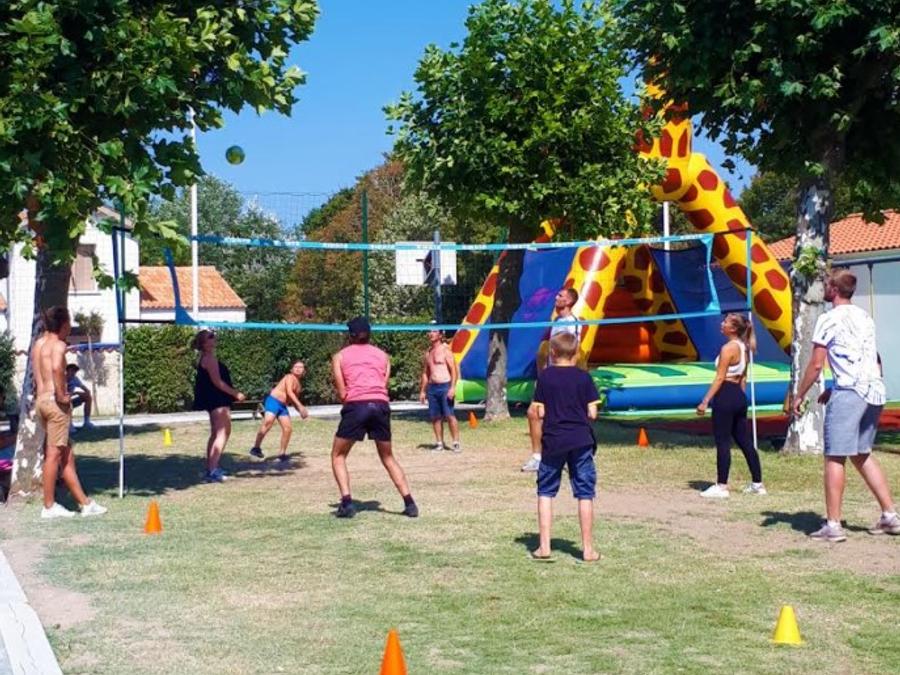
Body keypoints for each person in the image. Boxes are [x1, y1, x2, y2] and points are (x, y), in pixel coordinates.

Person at [793, 270, 899, 542]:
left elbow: (816, 364)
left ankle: (833, 525)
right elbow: (870, 356)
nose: (823, 289)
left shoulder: (827, 319)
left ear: (834, 289)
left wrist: (798, 395)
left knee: (835, 456)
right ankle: (890, 516)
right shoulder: (864, 317)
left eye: (826, 285)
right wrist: (837, 386)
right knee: (862, 453)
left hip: (850, 392)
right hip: (874, 390)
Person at [330, 317, 418, 519]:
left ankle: (347, 503)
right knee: (388, 457)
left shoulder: (340, 356)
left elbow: (342, 392)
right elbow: (383, 384)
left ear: (350, 335)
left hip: (357, 405)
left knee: (338, 455)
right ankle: (410, 503)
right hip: (380, 405)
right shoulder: (383, 356)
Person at [528, 332, 601, 562]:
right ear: (576, 353)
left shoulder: (545, 378)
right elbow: (592, 413)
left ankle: (544, 547)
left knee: (545, 491)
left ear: (552, 352)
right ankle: (588, 549)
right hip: (581, 440)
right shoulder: (584, 378)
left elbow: (539, 412)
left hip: (553, 441)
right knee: (585, 493)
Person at [33, 306, 106, 519]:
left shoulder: (38, 344)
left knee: (66, 455)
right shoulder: (58, 345)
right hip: (55, 404)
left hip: (41, 402)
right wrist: (61, 395)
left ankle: (85, 503)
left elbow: (37, 375)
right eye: (69, 323)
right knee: (54, 454)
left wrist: (46, 396)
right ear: (64, 324)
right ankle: (49, 506)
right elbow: (57, 368)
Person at [695, 313, 766, 498]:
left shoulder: (728, 348)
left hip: (725, 394)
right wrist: (739, 398)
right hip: (738, 396)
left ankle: (721, 486)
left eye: (725, 322)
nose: (722, 324)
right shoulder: (744, 347)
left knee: (723, 441)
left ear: (733, 329)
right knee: (744, 440)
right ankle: (758, 484)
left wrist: (705, 400)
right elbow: (743, 378)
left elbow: (720, 378)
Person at [522, 287, 580, 472]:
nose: (556, 297)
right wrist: (543, 375)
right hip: (549, 376)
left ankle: (571, 457)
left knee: (563, 418)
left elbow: (574, 352)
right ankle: (537, 457)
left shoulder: (572, 323)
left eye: (560, 296)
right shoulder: (556, 322)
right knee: (534, 413)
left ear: (569, 301)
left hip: (563, 378)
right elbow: (546, 352)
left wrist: (568, 377)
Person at [192, 330, 245, 483]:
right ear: (204, 343)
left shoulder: (205, 358)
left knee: (216, 433)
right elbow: (218, 382)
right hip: (217, 400)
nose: (214, 338)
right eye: (210, 337)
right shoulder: (209, 359)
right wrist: (236, 393)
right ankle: (213, 470)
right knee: (223, 432)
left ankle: (211, 468)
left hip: (213, 400)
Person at [249, 361, 309, 462]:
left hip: (282, 406)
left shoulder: (299, 386)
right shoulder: (289, 377)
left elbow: (292, 400)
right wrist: (301, 406)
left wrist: (300, 411)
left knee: (288, 429)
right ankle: (256, 448)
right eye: (296, 367)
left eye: (301, 367)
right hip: (273, 401)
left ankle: (282, 454)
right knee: (268, 422)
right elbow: (289, 392)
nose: (298, 369)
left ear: (304, 371)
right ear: (291, 369)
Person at [418, 326, 461, 452]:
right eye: (430, 331)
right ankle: (439, 443)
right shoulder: (428, 352)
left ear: (440, 335)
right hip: (432, 388)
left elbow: (454, 370)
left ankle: (456, 443)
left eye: (434, 331)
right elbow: (425, 373)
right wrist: (423, 391)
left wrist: (452, 387)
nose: (431, 333)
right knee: (435, 417)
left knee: (449, 415)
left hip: (445, 386)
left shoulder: (445, 350)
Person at [65, 364, 94, 431]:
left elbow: (87, 391)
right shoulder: (61, 379)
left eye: (75, 371)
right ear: (67, 371)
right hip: (60, 402)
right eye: (71, 371)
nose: (73, 373)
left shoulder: (75, 379)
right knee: (67, 402)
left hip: (69, 400)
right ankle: (69, 425)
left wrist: (77, 393)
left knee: (88, 397)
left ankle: (86, 422)